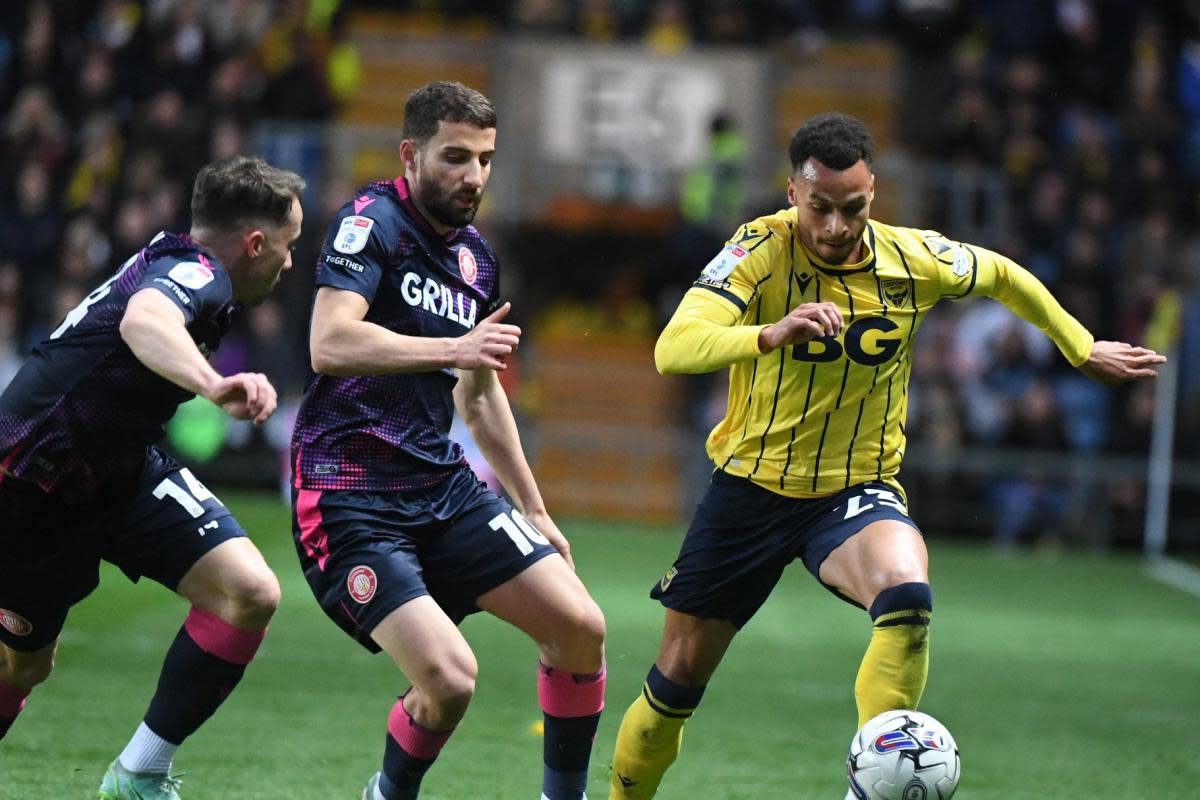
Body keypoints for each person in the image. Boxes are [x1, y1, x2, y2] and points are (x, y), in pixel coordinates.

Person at [607, 112, 1166, 799]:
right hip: (751, 488)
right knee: (676, 682)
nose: (837, 227)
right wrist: (768, 332)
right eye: (820, 209)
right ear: (792, 194)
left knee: (906, 594)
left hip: (853, 490)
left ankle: (872, 789)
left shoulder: (913, 259)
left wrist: (1080, 346)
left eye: (854, 208)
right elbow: (674, 347)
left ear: (873, 195)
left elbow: (1001, 274)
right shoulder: (759, 248)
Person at [289, 81, 606, 800]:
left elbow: (481, 393)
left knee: (581, 626)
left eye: (486, 160)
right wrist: (453, 347)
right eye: (457, 157)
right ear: (412, 153)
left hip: (440, 486)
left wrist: (533, 507)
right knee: (450, 681)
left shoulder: (476, 261)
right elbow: (329, 341)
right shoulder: (370, 223)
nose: (474, 177)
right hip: (349, 494)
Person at [0, 155, 305, 800]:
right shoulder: (200, 274)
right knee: (23, 666)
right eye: (288, 245)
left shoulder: (184, 263)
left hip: (122, 466)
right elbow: (145, 321)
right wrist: (213, 384)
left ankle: (138, 774)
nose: (290, 262)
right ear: (255, 243)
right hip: (36, 482)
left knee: (249, 591)